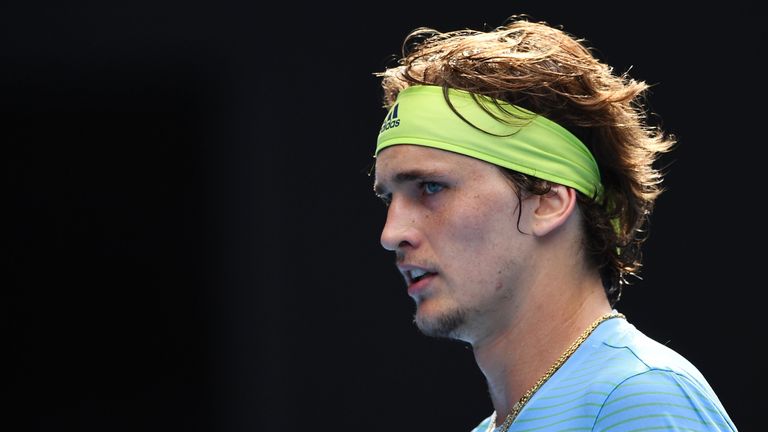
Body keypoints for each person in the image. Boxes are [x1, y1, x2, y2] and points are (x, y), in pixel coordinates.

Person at [370, 15, 737, 432]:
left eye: (431, 187)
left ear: (547, 200)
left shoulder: (643, 399)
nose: (391, 234)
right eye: (388, 197)